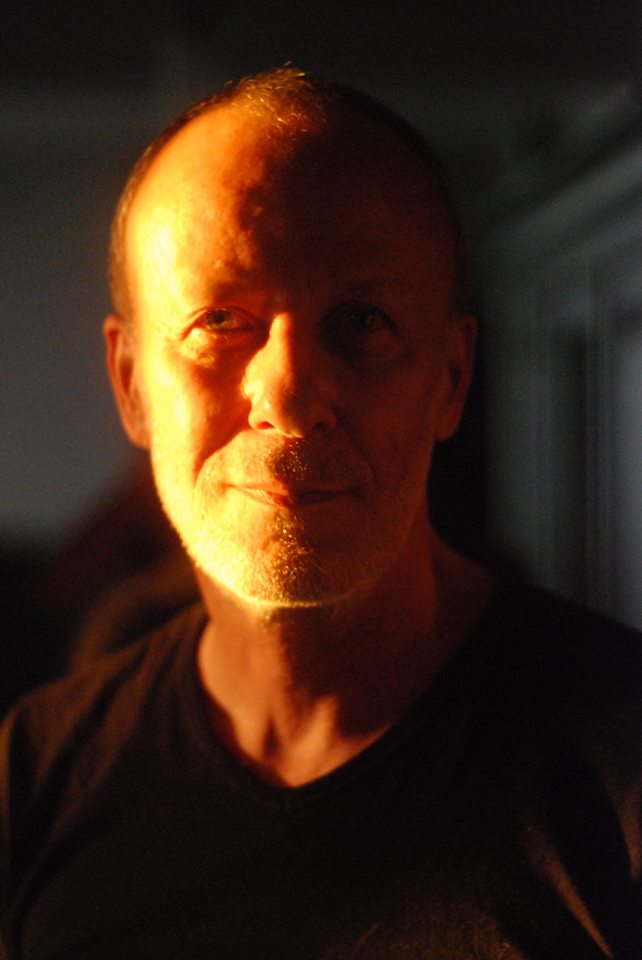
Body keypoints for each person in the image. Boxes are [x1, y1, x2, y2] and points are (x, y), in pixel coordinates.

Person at [1, 67, 640, 960]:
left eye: (362, 321)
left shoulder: (622, 765)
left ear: (451, 379)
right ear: (132, 384)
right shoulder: (32, 780)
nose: (292, 398)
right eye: (220, 321)